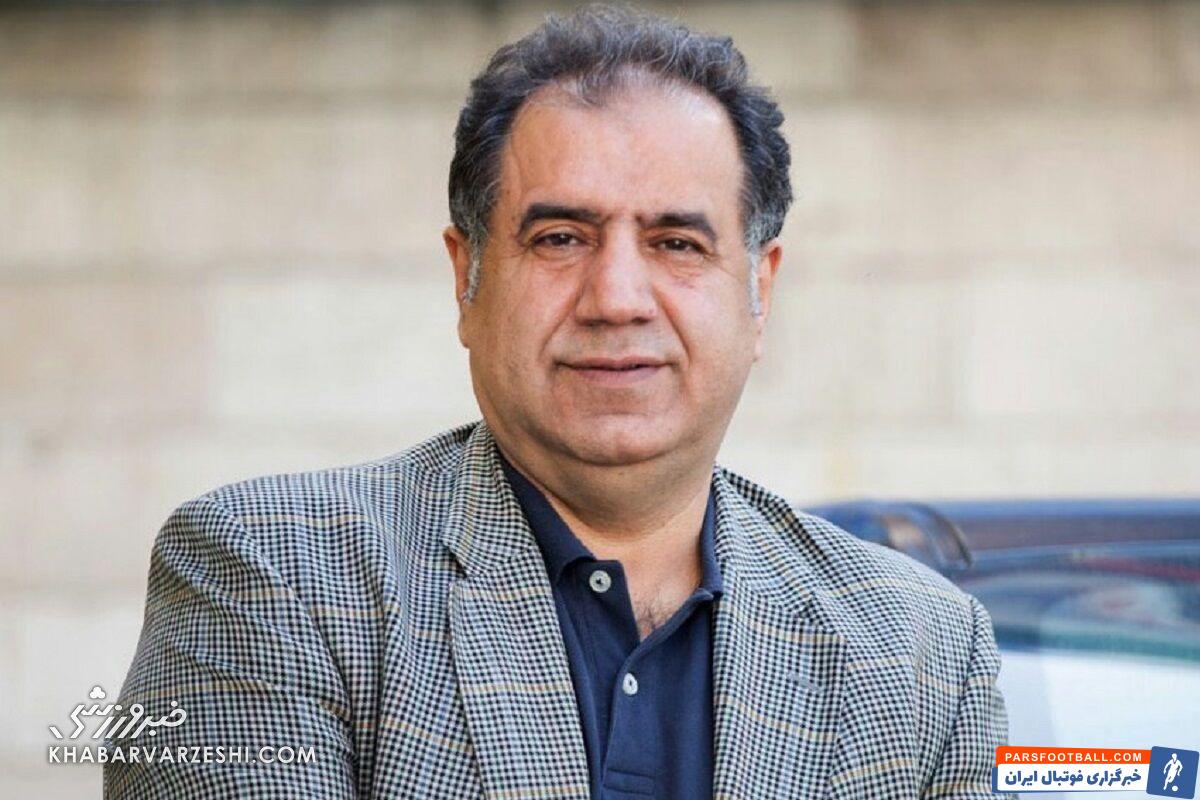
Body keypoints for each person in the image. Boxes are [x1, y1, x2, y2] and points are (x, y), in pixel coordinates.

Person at [105, 5, 1010, 799]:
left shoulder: (922, 649)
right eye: (561, 238)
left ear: (758, 292)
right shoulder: (275, 576)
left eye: (677, 244)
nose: (617, 298)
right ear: (467, 279)